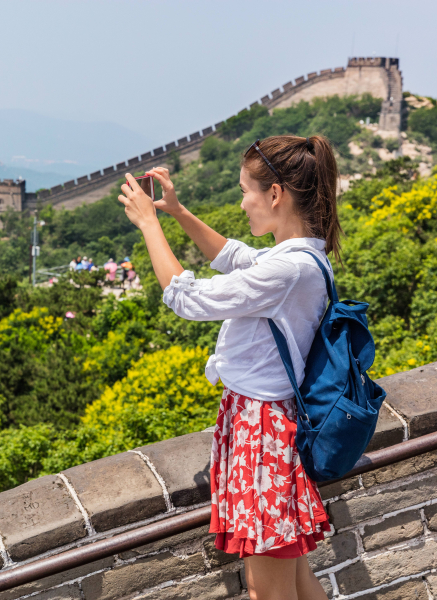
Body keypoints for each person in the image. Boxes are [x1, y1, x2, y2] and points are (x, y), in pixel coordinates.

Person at [117, 136, 338, 600]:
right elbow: (233, 257)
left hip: (261, 436)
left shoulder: (289, 271)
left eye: (245, 192)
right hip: (266, 427)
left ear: (275, 194)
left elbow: (188, 298)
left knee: (267, 591)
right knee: (296, 580)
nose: (242, 204)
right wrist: (176, 212)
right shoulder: (301, 257)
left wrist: (148, 224)